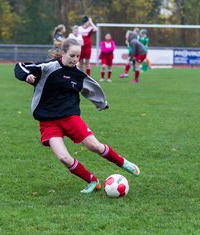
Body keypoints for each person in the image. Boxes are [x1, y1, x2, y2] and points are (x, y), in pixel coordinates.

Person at [14, 38, 140, 194]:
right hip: (48, 122)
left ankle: (123, 163)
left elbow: (91, 88)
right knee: (63, 158)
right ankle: (92, 181)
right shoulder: (47, 68)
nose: (75, 60)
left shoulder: (78, 75)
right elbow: (20, 66)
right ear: (63, 52)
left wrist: (101, 103)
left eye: (77, 57)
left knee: (94, 146)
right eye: (72, 55)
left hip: (70, 118)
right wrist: (27, 76)